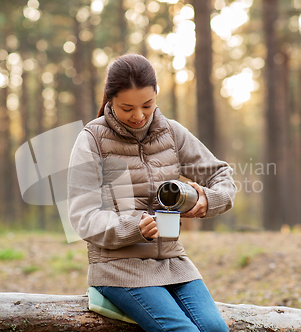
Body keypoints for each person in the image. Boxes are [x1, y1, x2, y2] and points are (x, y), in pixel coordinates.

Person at [67, 53, 235, 332]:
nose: (139, 116)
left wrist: (208, 199)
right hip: (118, 268)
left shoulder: (172, 132)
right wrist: (134, 227)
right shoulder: (91, 139)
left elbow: (221, 175)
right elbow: (82, 216)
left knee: (216, 329)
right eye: (127, 108)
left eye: (147, 105)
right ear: (109, 99)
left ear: (156, 94)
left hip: (172, 262)